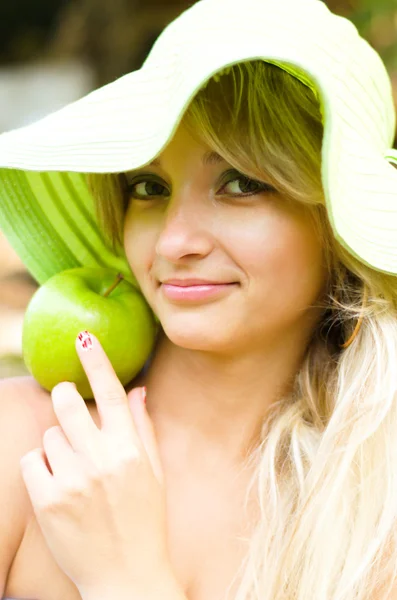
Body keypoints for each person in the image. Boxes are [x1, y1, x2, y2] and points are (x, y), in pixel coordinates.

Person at [0, 0, 397, 599]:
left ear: (338, 225)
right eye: (148, 187)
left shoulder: (377, 511)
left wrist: (127, 580)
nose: (174, 240)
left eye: (240, 183)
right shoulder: (28, 443)